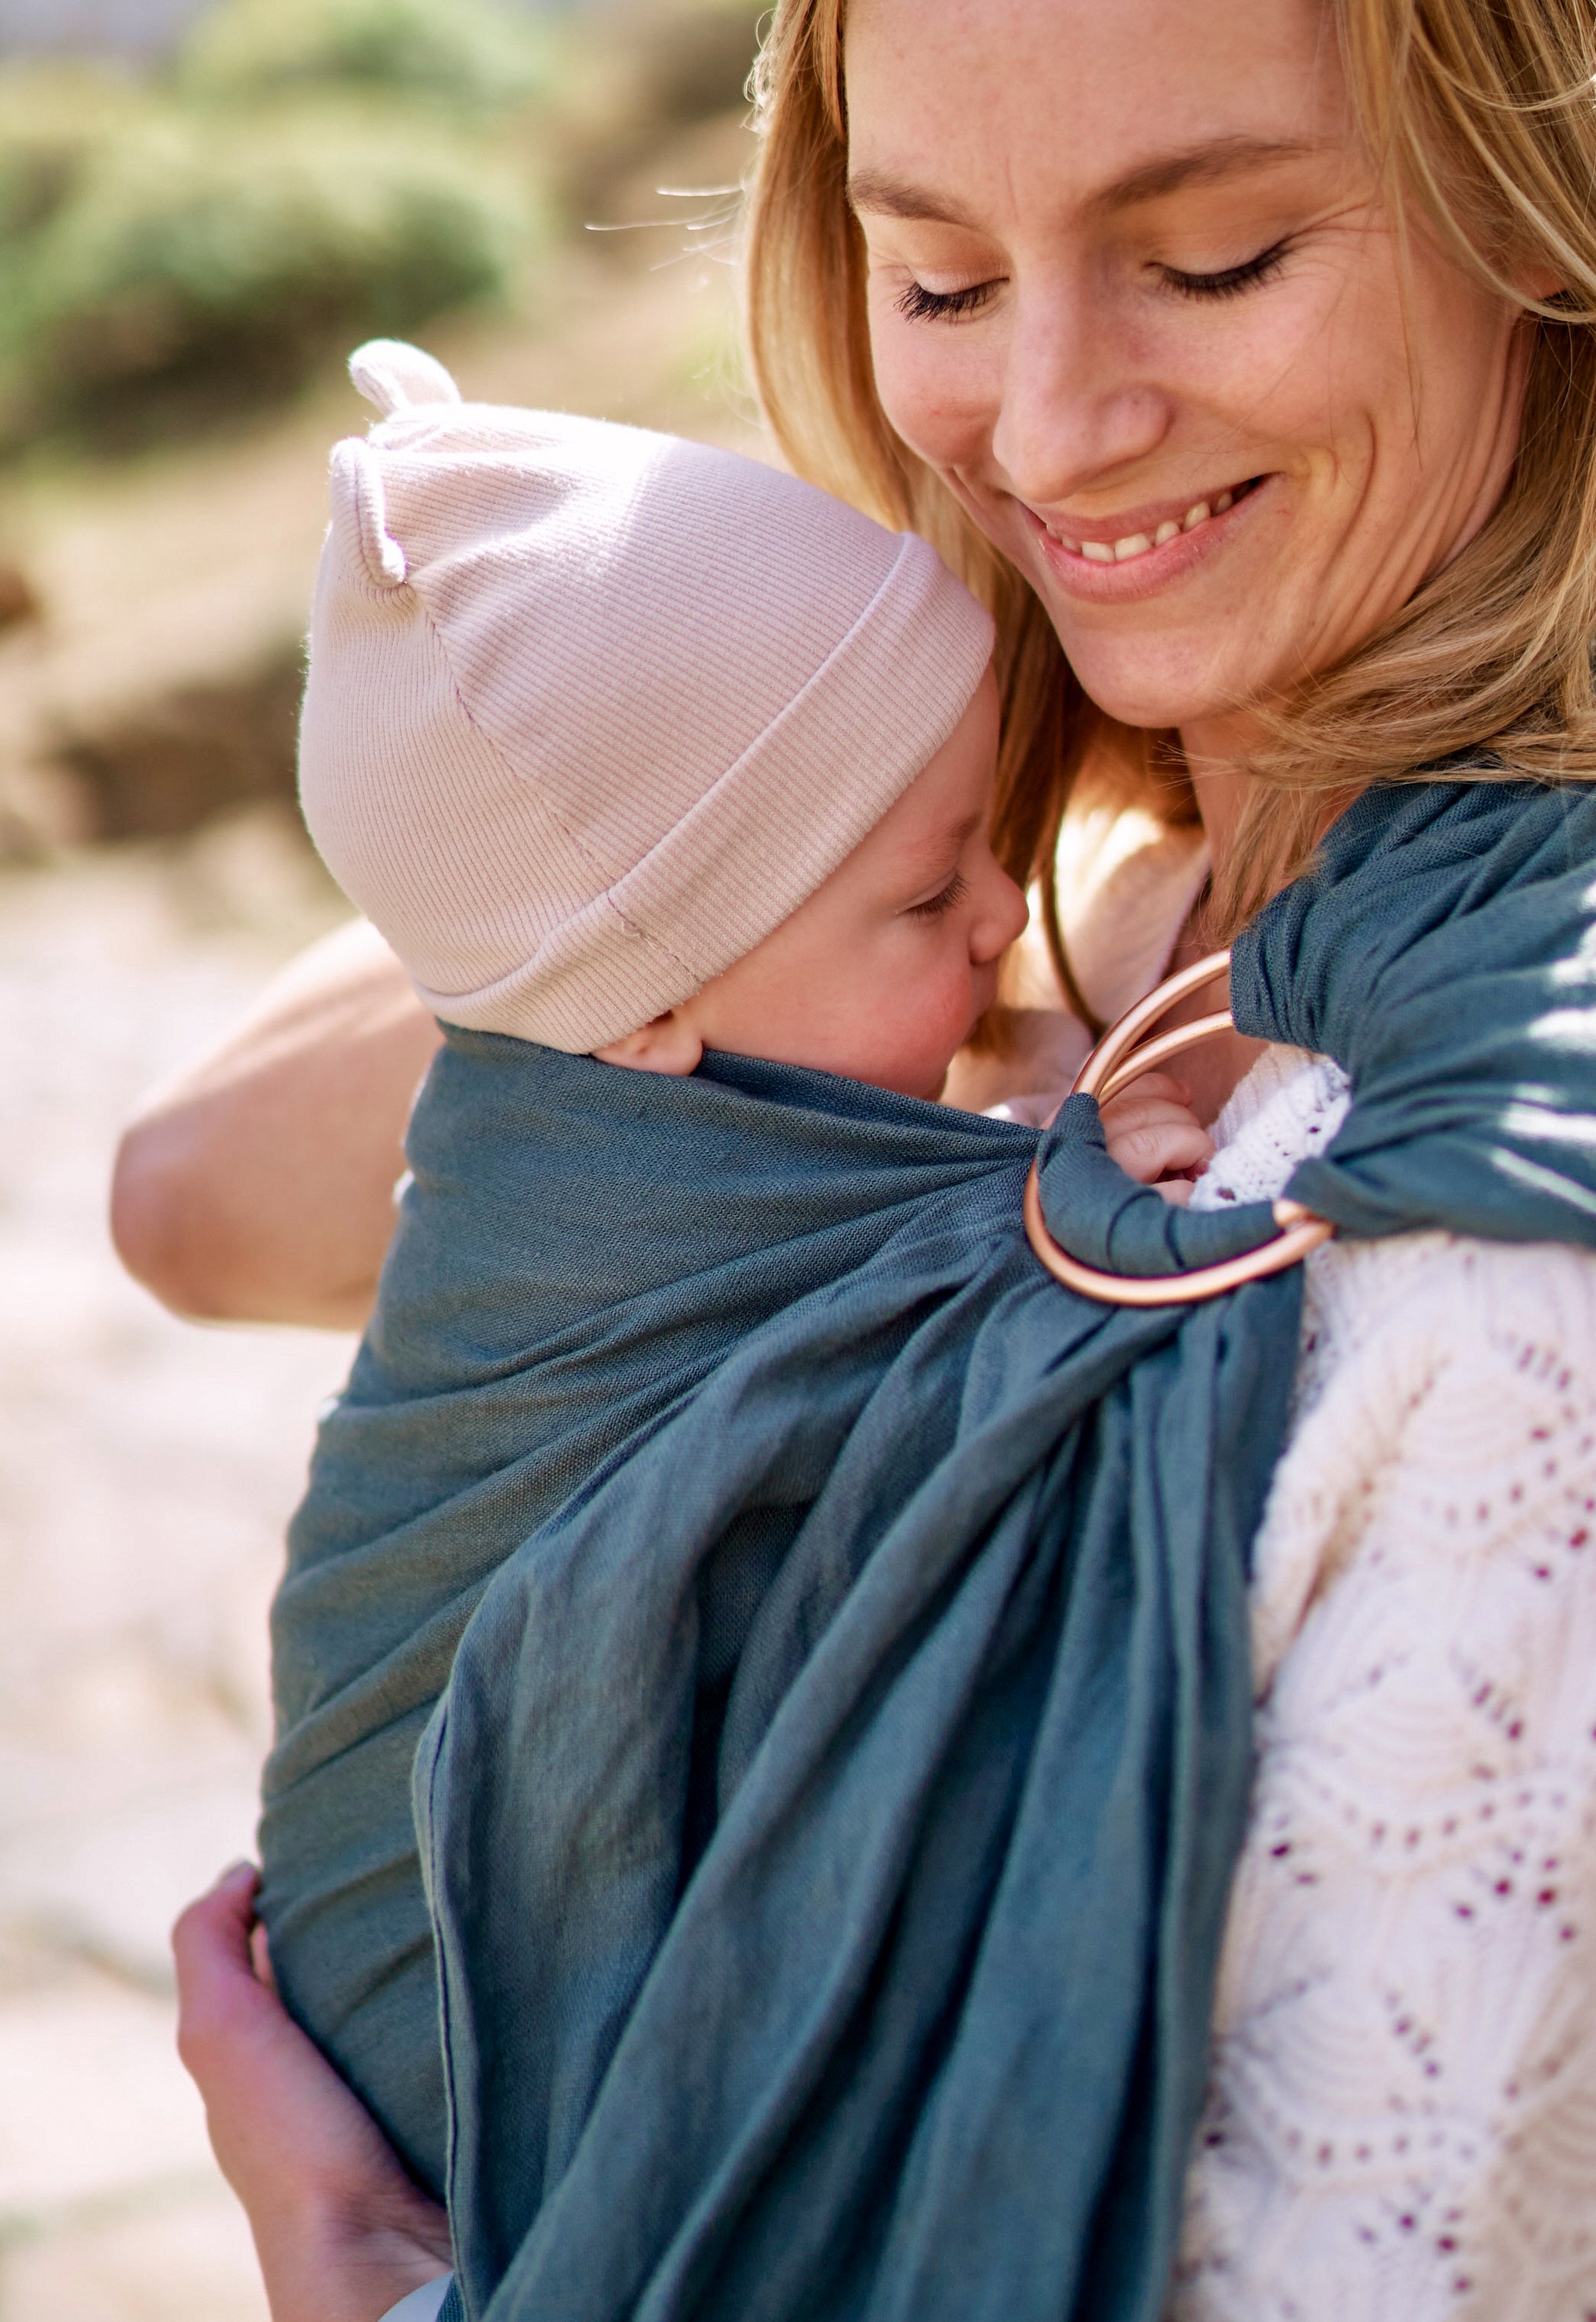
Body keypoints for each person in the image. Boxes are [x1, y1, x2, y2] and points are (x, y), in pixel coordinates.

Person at [135, 0, 1596, 2314]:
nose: (1042, 417)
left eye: (1212, 258)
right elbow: (195, 1187)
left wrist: (377, 2283)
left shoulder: (1495, 1210)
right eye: (937, 276)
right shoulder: (1076, 892)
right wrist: (825, 753)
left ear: (1554, 217)